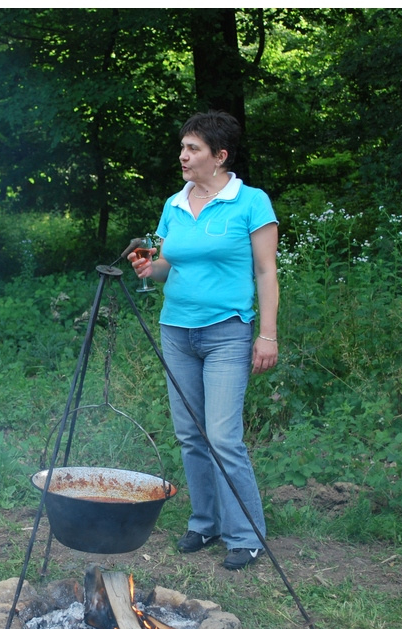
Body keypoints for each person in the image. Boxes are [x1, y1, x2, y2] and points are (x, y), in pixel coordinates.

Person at [129, 110, 279, 571]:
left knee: (223, 436)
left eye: (192, 149)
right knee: (190, 434)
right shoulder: (174, 204)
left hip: (227, 331)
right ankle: (205, 522)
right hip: (176, 330)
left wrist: (267, 334)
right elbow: (165, 265)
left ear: (220, 156)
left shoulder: (250, 202)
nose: (183, 156)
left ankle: (246, 535)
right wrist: (147, 270)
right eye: (182, 148)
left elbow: (266, 271)